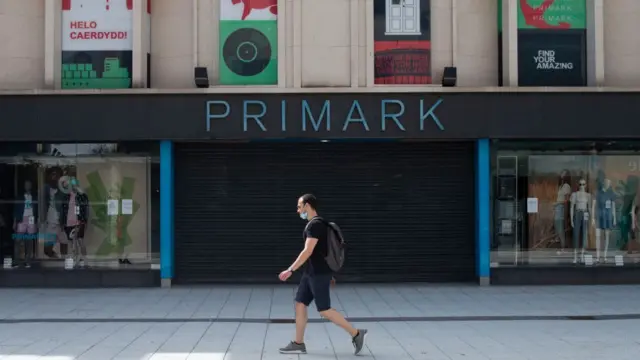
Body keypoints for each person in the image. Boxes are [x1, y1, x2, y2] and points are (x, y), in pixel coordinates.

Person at [278, 194, 367, 355]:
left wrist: (290, 269)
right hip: (311, 272)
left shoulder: (315, 225)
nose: (298, 211)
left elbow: (308, 250)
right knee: (300, 304)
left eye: (299, 206)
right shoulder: (319, 224)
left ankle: (356, 334)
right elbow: (322, 251)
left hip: (318, 273)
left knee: (324, 310)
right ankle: (298, 343)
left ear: (307, 205)